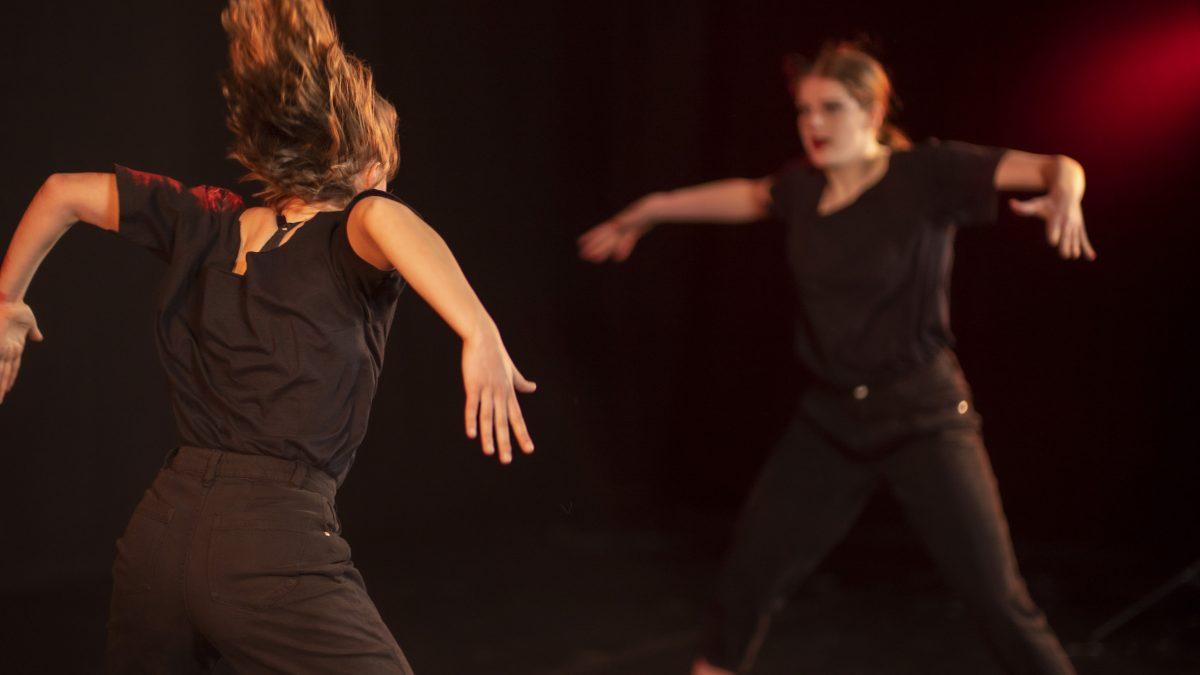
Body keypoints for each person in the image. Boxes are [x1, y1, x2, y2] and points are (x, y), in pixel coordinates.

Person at [0, 1, 536, 672]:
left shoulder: (208, 220)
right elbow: (388, 220)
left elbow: (61, 193)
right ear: (370, 168)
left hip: (161, 530)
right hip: (270, 540)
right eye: (385, 177)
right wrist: (477, 327)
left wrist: (7, 301)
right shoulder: (354, 230)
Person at [579, 43, 1093, 675]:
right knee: (751, 574)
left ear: (872, 111)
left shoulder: (927, 174)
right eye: (804, 111)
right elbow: (747, 195)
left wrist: (1065, 193)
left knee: (996, 598)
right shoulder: (802, 188)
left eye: (831, 108)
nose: (814, 124)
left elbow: (1058, 167)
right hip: (832, 418)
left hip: (923, 415)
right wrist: (652, 209)